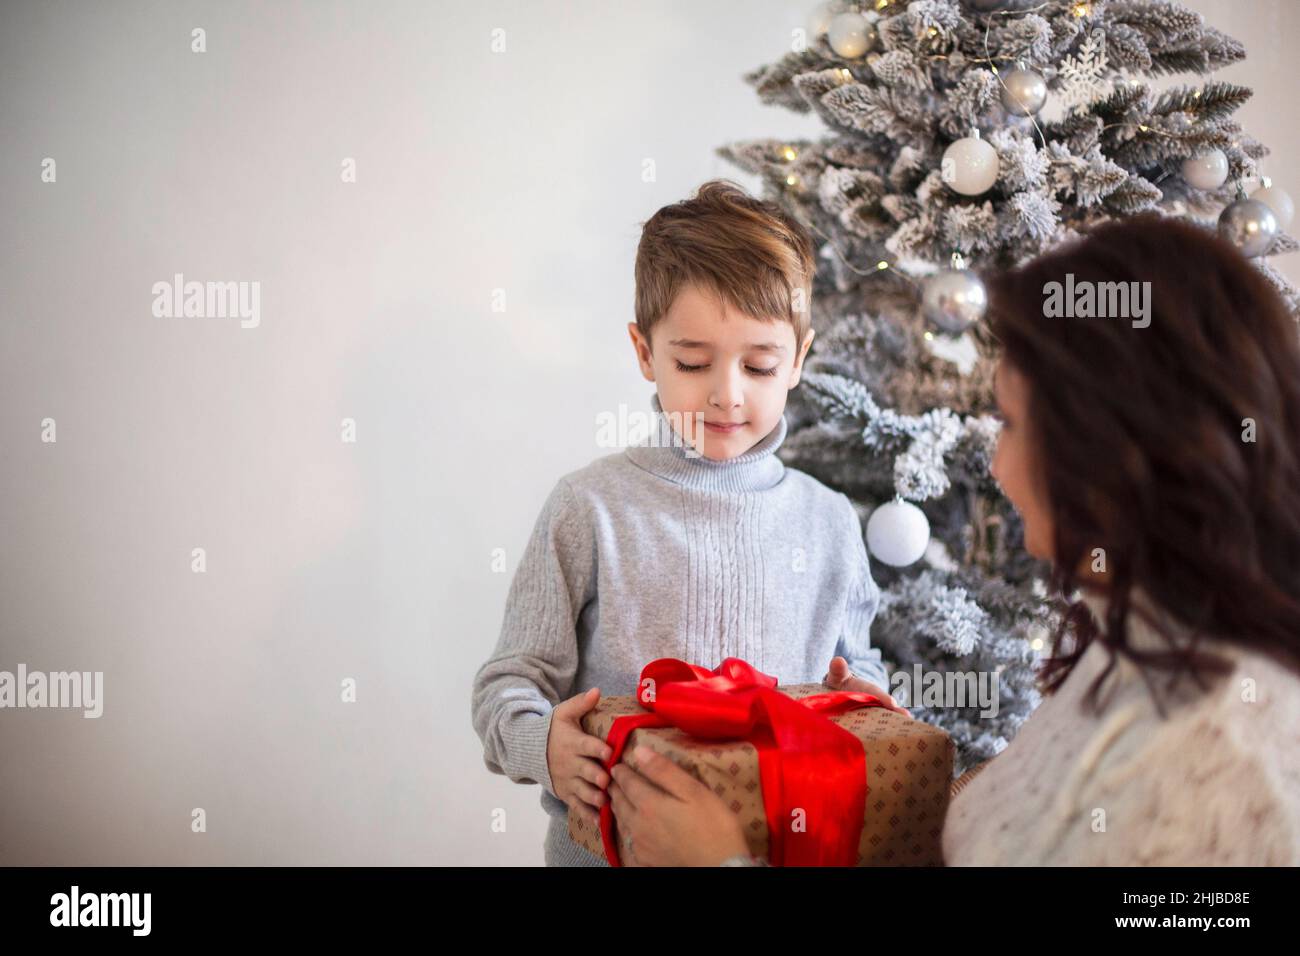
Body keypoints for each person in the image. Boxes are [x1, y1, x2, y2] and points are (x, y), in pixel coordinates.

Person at [608, 213, 1300, 866]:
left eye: (1009, 423)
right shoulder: (1130, 652)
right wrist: (866, 741)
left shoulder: (1227, 761)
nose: (996, 465)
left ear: (1106, 453)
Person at [470, 179, 908, 868]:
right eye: (693, 362)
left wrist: (868, 699)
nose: (726, 394)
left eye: (759, 365)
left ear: (798, 358)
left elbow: (855, 667)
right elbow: (507, 684)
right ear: (645, 352)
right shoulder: (590, 507)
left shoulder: (827, 522)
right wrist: (542, 747)